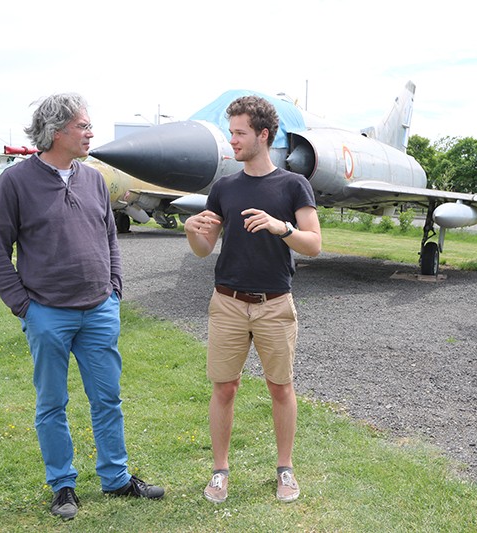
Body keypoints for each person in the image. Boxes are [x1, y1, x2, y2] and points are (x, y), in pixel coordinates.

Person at [0, 93, 164, 521]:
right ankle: (63, 485)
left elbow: (109, 239)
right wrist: (24, 307)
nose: (91, 133)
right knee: (52, 403)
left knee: (108, 399)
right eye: (83, 126)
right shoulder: (16, 182)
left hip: (100, 309)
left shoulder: (95, 179)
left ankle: (116, 479)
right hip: (46, 313)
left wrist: (114, 288)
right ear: (57, 131)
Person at [184, 95, 321, 504]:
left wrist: (281, 228)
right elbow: (203, 249)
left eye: (239, 133)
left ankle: (285, 469)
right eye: (231, 133)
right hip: (226, 302)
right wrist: (193, 229)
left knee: (281, 388)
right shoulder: (224, 187)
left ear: (263, 135)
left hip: (275, 304)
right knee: (224, 388)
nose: (232, 141)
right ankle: (220, 471)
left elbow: (313, 244)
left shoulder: (294, 185)